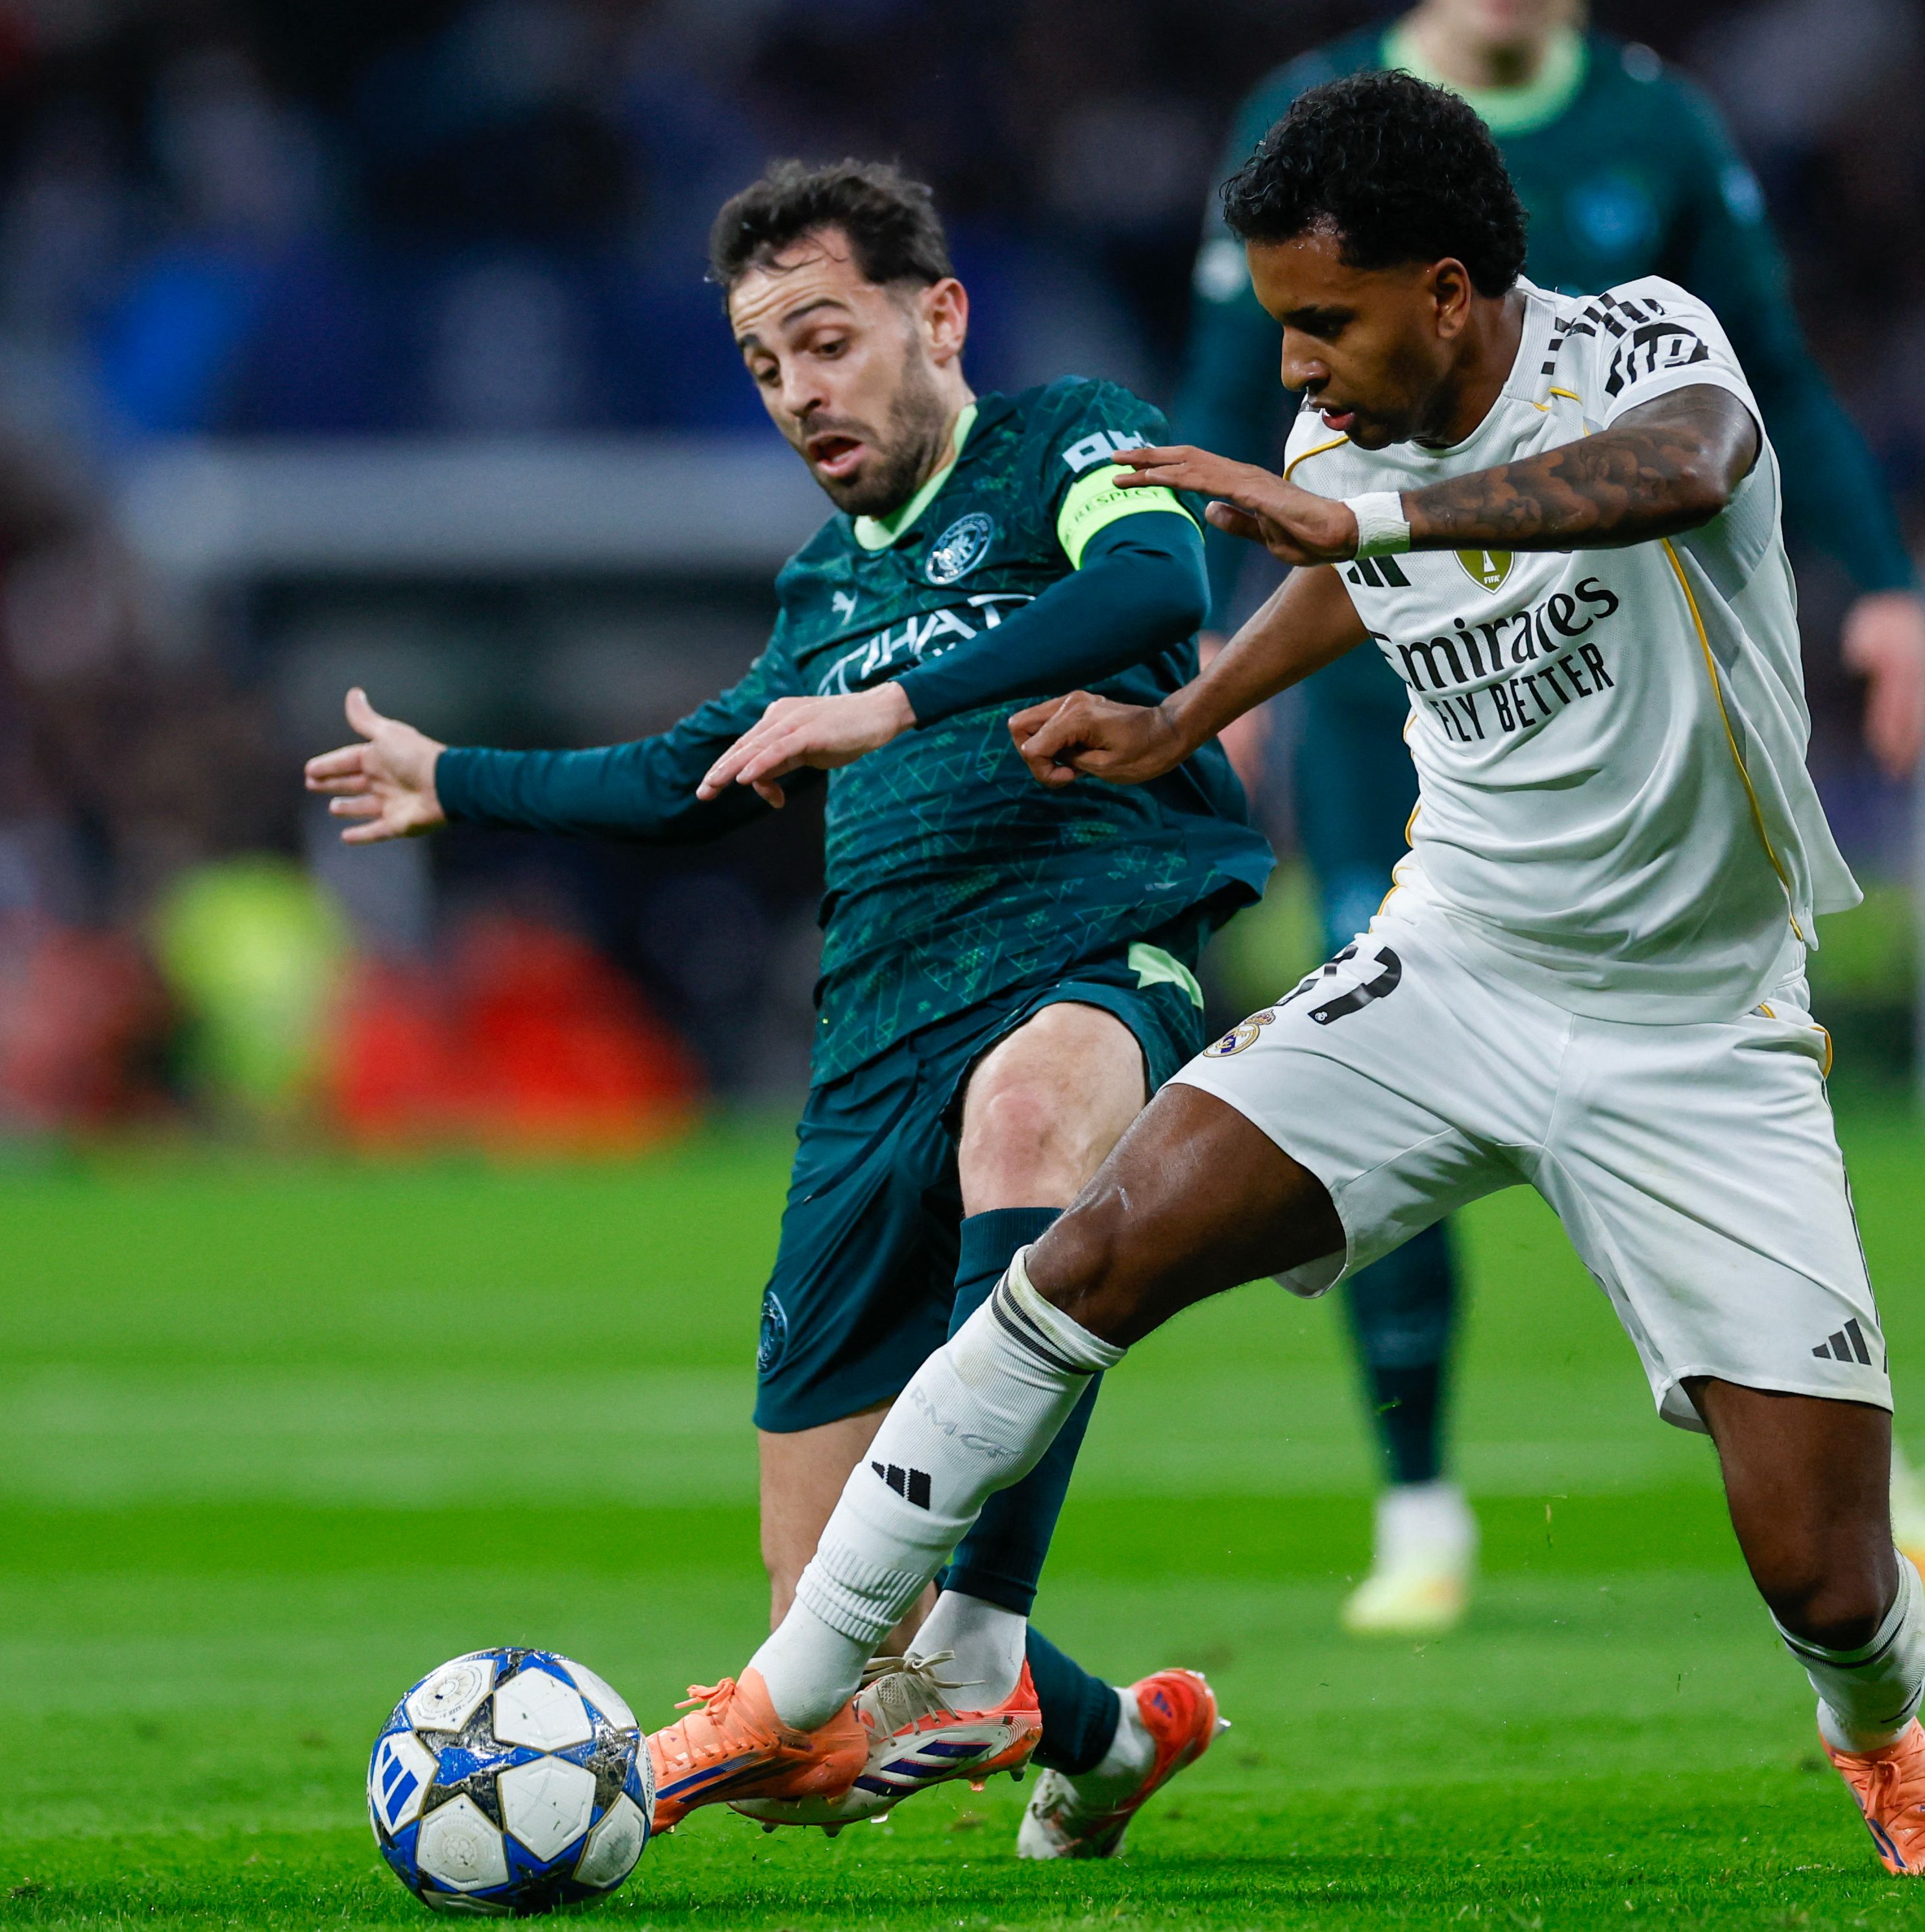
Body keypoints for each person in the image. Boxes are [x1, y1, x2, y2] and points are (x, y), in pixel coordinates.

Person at [644, 74, 1925, 1879]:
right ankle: (800, 1680)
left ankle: (1882, 1733)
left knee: (1827, 1574)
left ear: (1448, 291)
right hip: (1450, 970)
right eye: (1284, 323)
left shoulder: (1642, 348)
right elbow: (1346, 584)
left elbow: (1683, 473)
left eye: (1324, 321)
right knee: (1092, 1250)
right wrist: (1185, 714)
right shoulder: (1348, 448)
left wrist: (1366, 526)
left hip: (1698, 1026)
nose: (1296, 365)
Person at [305, 158, 1262, 1854]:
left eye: (824, 339)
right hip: (872, 1039)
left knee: (1028, 1112)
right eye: (764, 365)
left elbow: (1160, 597)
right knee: (815, 1718)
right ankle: (1112, 1735)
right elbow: (685, 772)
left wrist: (891, 706)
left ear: (937, 314)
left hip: (1093, 940)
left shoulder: (1066, 441)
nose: (799, 389)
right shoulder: (822, 586)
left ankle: (976, 1648)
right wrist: (458, 773)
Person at [1174, 0, 1925, 1637]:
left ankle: (1842, 1465)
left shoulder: (1657, 127)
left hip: (1625, 695)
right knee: (1378, 1033)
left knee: (1718, 1056)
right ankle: (1419, 1502)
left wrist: (1882, 581)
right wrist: (1219, 664)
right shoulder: (1312, 121)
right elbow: (1235, 386)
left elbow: (1761, 380)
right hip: (1386, 698)